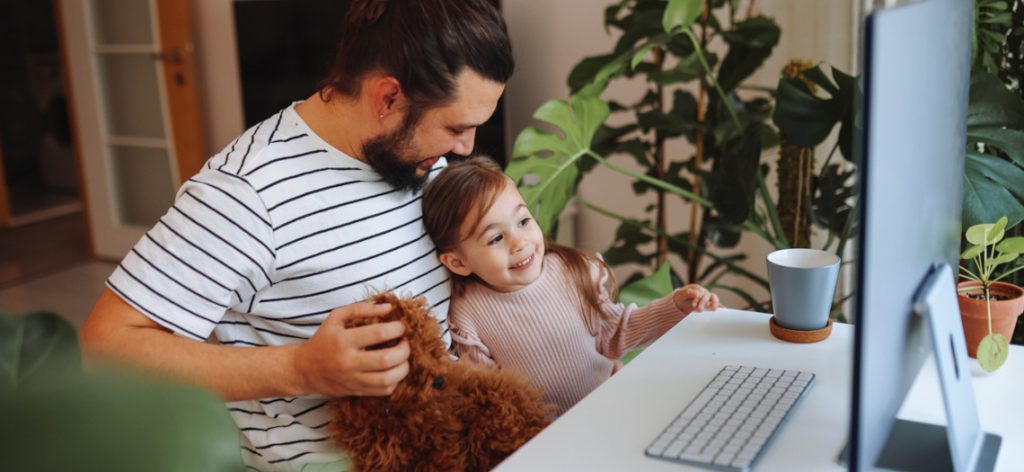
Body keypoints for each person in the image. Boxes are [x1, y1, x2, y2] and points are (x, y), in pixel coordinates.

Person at [79, 1, 513, 470]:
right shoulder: (246, 193)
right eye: (456, 127)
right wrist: (300, 368)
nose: (466, 148)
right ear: (388, 98)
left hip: (442, 445)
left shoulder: (419, 157)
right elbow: (106, 350)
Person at [421, 157, 721, 415]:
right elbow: (493, 398)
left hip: (613, 404)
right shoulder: (469, 315)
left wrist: (675, 307)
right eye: (496, 238)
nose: (520, 242)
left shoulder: (571, 271)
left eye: (523, 221)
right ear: (458, 263)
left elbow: (616, 331)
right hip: (545, 438)